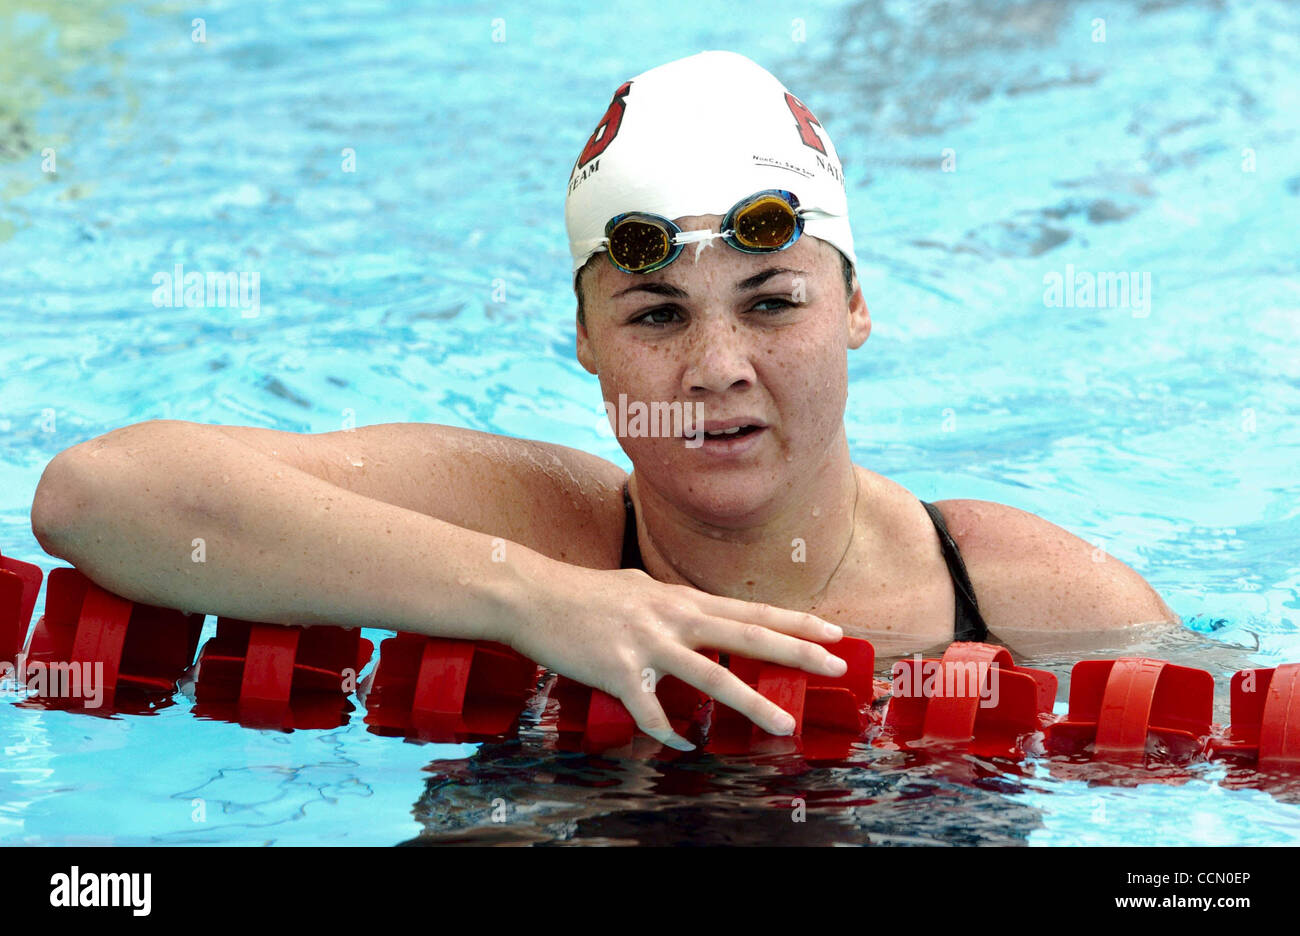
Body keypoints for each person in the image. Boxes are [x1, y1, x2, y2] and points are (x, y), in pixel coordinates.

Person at [28, 50, 1176, 753]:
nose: (716, 365)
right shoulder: (531, 523)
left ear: (855, 307)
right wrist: (541, 602)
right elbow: (98, 496)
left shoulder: (1029, 600)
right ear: (584, 341)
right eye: (656, 314)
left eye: (771, 303)